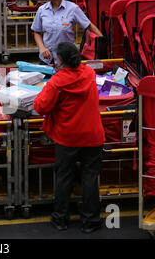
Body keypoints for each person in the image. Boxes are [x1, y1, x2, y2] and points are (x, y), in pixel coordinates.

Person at [33, 42, 105, 234]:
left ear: (60, 60)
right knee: (90, 176)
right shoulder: (89, 73)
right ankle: (91, 220)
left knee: (64, 176)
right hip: (93, 134)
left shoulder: (57, 81)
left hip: (68, 137)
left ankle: (60, 218)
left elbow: (40, 106)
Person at [31, 0, 102, 65]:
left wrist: (102, 40)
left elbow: (89, 25)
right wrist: (42, 48)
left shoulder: (73, 9)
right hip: (47, 59)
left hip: (67, 60)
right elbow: (37, 32)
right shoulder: (42, 10)